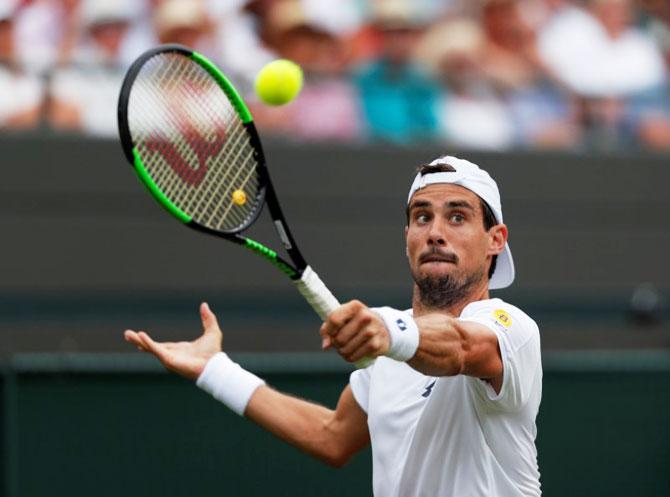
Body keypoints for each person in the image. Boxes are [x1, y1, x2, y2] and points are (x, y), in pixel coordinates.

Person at [124, 155, 542, 497]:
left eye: (457, 218)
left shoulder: (511, 331)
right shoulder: (387, 356)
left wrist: (389, 331)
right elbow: (332, 436)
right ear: (407, 236)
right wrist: (214, 370)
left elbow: (462, 349)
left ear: (495, 240)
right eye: (421, 217)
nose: (434, 232)